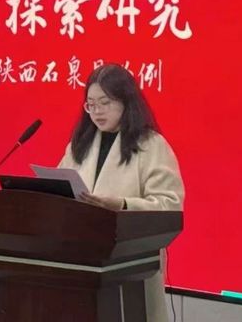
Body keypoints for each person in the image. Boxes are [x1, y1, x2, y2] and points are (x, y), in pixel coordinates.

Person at [58, 63, 184, 322]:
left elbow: (169, 206)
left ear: (126, 101)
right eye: (91, 104)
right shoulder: (80, 144)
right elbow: (61, 191)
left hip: (130, 267)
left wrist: (123, 205)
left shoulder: (151, 145)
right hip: (80, 261)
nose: (97, 111)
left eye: (104, 103)